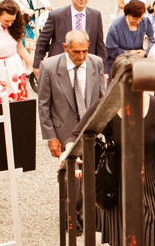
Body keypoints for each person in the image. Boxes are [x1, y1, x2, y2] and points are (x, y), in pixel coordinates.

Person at [79, 54, 155, 246]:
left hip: (149, 181)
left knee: (145, 241)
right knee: (122, 242)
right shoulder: (106, 108)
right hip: (117, 185)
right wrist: (73, 154)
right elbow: (79, 133)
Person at [38, 30, 106, 158]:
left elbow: (102, 98)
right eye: (76, 52)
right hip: (64, 133)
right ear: (65, 47)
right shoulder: (48, 67)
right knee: (70, 173)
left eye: (85, 51)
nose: (81, 56)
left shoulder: (96, 63)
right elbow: (43, 105)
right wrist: (51, 137)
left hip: (92, 133)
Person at [34, 0, 105, 74]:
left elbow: (100, 44)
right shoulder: (57, 15)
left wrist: (104, 69)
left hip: (86, 65)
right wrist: (37, 64)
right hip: (60, 65)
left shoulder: (96, 15)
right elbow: (43, 41)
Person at [105, 0, 154, 64]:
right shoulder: (116, 27)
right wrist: (129, 53)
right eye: (135, 19)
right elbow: (110, 50)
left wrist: (145, 51)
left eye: (140, 18)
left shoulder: (145, 21)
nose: (138, 21)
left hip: (139, 62)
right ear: (127, 14)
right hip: (120, 63)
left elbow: (151, 39)